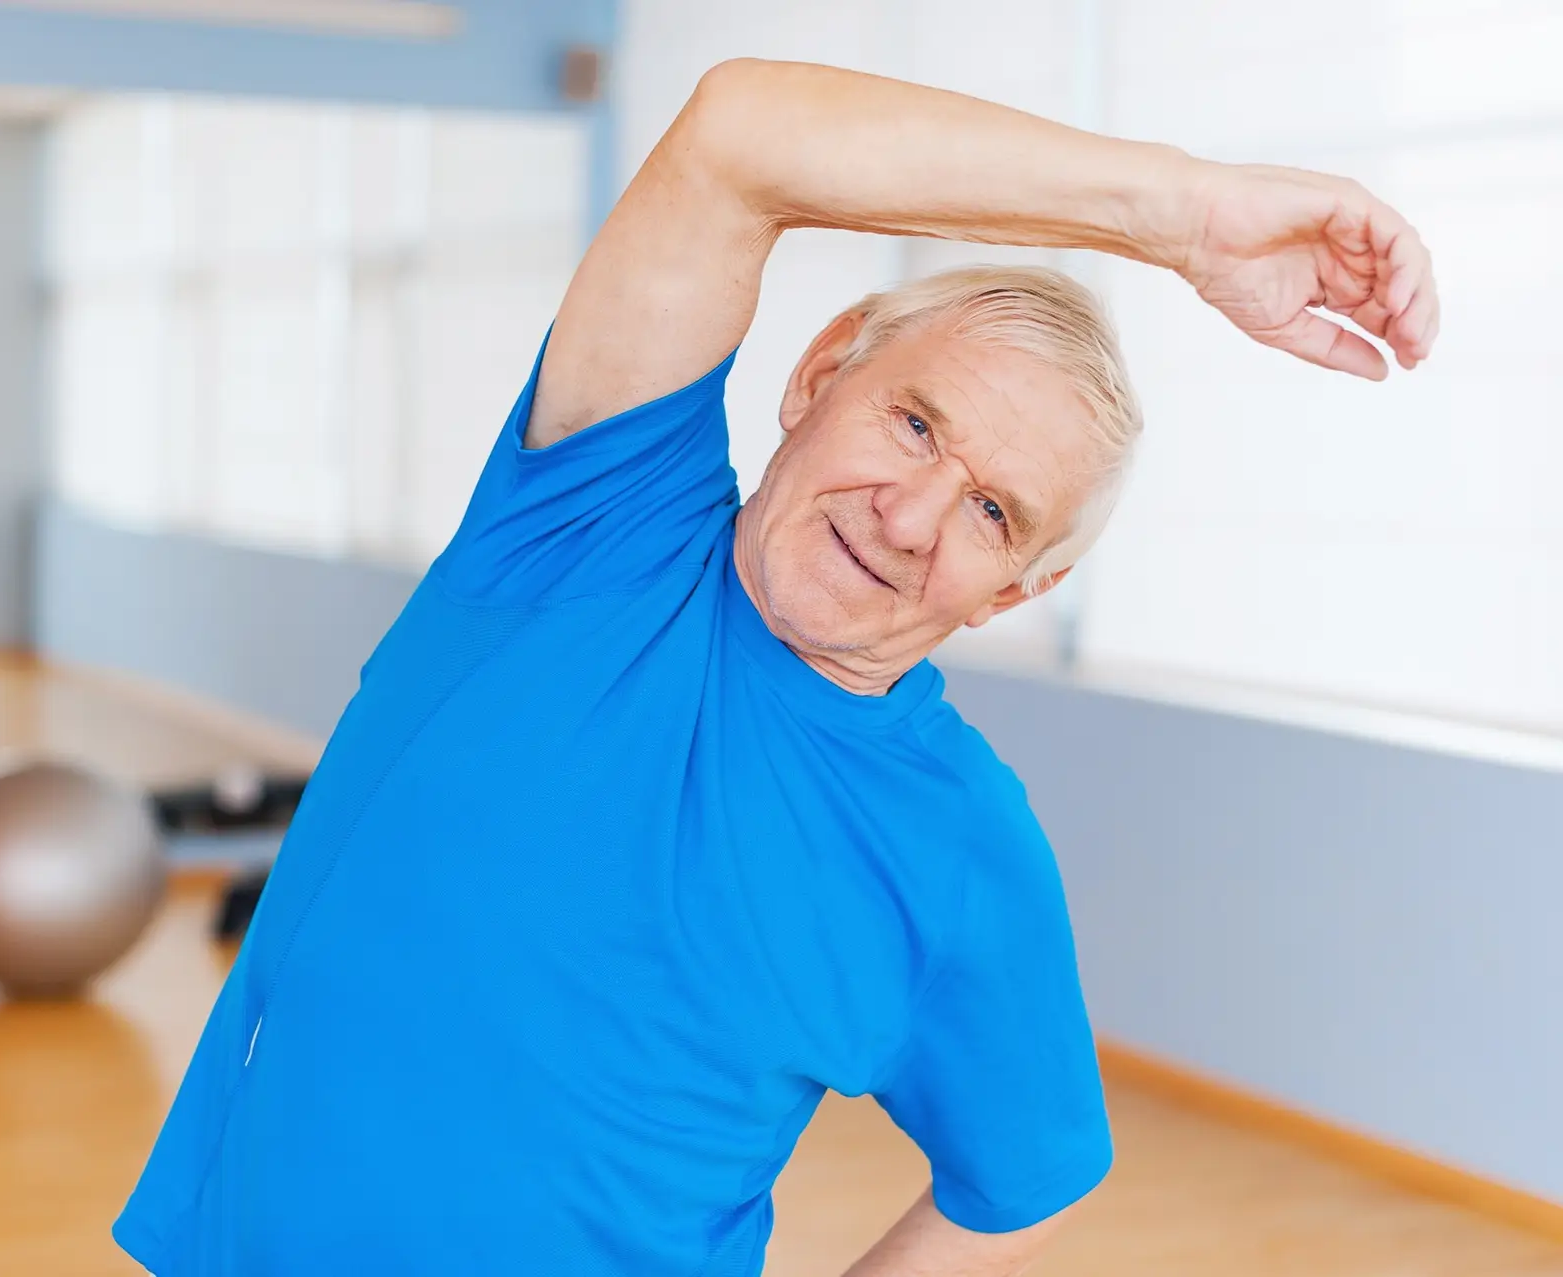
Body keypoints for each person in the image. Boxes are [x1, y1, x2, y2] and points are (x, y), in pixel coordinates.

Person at [115, 58, 1437, 1276]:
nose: (910, 518)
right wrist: (1188, 219)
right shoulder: (589, 524)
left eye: (993, 514)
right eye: (913, 422)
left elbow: (1029, 1184)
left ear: (1025, 590)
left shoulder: (961, 849)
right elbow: (743, 135)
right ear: (819, 375)